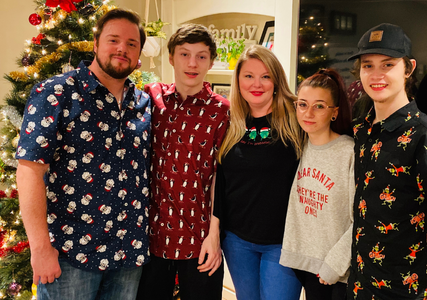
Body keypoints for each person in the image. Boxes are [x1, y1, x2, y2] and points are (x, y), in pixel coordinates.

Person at [16, 8, 150, 300]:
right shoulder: (56, 93)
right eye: (113, 40)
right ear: (95, 43)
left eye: (131, 44)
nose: (121, 49)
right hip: (70, 254)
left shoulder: (143, 103)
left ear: (139, 53)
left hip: (128, 253)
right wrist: (40, 249)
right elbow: (29, 170)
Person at [346, 23, 427, 300]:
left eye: (387, 64)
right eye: (368, 66)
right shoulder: (363, 130)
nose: (376, 75)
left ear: (408, 68)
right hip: (362, 284)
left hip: (410, 291)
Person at [136, 24, 230, 300]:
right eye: (184, 54)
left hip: (200, 238)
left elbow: (220, 177)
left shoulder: (221, 111)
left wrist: (214, 235)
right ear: (171, 57)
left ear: (211, 61)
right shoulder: (150, 98)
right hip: (152, 237)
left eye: (201, 56)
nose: (192, 63)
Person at [213, 44, 304, 300]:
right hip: (237, 241)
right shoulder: (229, 122)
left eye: (265, 76)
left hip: (283, 242)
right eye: (249, 76)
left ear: (276, 80)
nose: (257, 84)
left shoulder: (297, 118)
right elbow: (220, 183)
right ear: (238, 80)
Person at [280, 68, 355, 300]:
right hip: (305, 266)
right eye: (302, 104)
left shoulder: (349, 151)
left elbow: (362, 217)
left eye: (319, 106)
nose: (308, 113)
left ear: (334, 112)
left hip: (335, 272)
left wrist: (335, 264)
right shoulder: (299, 145)